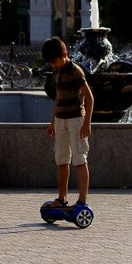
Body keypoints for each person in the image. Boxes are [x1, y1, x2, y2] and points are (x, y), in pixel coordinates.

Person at [42, 36, 93, 209]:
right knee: (61, 160)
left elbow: (89, 97)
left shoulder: (75, 71)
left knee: (79, 159)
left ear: (64, 54)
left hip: (76, 120)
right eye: (50, 63)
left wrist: (87, 123)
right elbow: (57, 98)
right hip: (60, 120)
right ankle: (62, 198)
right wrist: (52, 122)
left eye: (54, 62)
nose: (52, 65)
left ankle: (82, 200)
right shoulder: (56, 72)